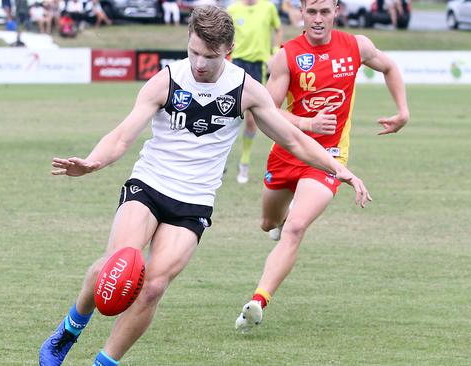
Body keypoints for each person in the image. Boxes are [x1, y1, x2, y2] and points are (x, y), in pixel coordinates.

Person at [39, 5, 371, 366]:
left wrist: (340, 170)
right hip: (149, 185)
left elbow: (294, 140)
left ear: (227, 52)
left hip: (194, 203)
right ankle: (69, 331)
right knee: (116, 265)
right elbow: (122, 135)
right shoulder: (166, 80)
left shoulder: (246, 91)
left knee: (152, 288)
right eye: (194, 52)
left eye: (209, 57)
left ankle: (104, 363)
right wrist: (93, 162)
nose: (199, 64)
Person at [234, 0, 409, 333]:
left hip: (328, 158)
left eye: (324, 12)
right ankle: (278, 224)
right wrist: (307, 123)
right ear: (301, 12)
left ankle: (258, 301)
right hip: (286, 154)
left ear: (337, 12)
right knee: (269, 223)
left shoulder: (356, 46)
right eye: (311, 12)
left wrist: (403, 111)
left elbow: (389, 67)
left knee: (296, 227)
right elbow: (264, 110)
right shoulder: (286, 55)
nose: (317, 19)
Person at [227, 0, 282, 184]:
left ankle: (244, 161)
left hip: (258, 67)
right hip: (237, 65)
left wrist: (274, 52)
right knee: (227, 116)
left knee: (252, 119)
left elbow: (278, 29)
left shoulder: (268, 7)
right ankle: (219, 160)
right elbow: (223, 35)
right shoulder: (232, 10)